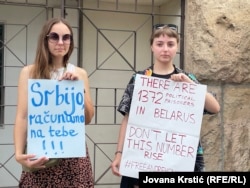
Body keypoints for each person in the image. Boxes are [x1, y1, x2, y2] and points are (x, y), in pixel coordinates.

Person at [111, 24, 220, 188]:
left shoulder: (187, 78)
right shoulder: (139, 79)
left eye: (170, 44)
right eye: (160, 44)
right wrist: (119, 154)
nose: (165, 49)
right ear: (152, 47)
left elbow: (215, 108)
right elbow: (127, 119)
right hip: (144, 159)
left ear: (177, 47)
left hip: (179, 161)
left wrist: (189, 83)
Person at [13, 17, 95, 187]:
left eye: (66, 37)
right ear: (46, 39)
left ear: (71, 42)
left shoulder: (79, 73)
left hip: (73, 157)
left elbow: (87, 119)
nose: (60, 42)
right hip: (41, 154)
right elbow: (22, 117)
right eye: (54, 36)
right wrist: (19, 154)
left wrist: (80, 89)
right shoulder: (29, 72)